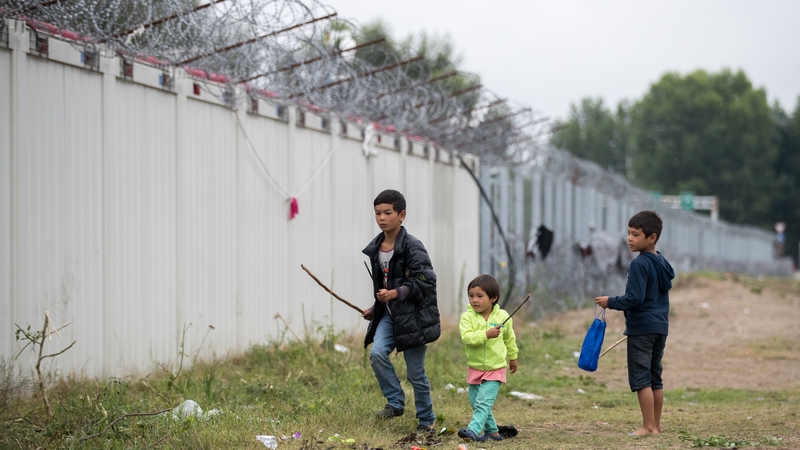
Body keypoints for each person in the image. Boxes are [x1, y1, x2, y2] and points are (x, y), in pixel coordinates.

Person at [361, 189, 440, 434]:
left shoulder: (413, 247)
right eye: (377, 213)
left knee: (416, 374)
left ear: (402, 214)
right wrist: (376, 308)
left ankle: (427, 420)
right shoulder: (376, 248)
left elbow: (425, 282)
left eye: (387, 212)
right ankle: (395, 403)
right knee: (377, 353)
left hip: (413, 319)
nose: (381, 218)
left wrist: (394, 294)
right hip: (389, 314)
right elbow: (384, 284)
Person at [595, 210, 675, 437]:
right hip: (660, 327)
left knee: (641, 378)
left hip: (642, 328)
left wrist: (609, 301)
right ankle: (656, 426)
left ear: (652, 238)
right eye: (629, 233)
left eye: (636, 234)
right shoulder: (662, 262)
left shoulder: (639, 264)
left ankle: (648, 426)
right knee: (654, 377)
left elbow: (635, 299)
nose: (630, 238)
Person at [457, 274, 519, 442]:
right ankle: (493, 433)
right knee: (475, 401)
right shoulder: (466, 318)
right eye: (471, 296)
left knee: (483, 402)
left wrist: (513, 357)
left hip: (495, 368)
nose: (474, 300)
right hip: (475, 368)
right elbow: (468, 338)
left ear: (493, 298)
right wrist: (486, 334)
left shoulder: (503, 316)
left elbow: (509, 339)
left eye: (479, 296)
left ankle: (473, 430)